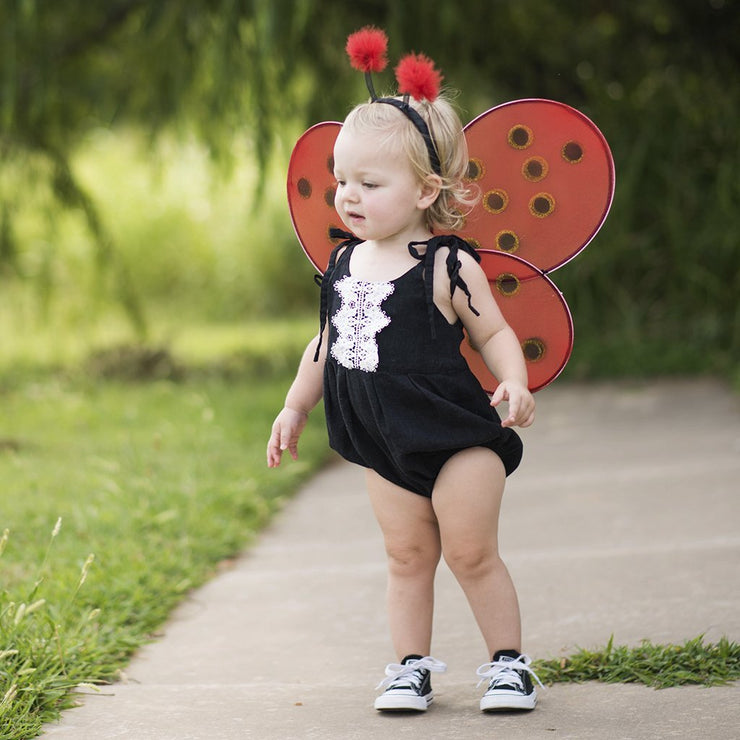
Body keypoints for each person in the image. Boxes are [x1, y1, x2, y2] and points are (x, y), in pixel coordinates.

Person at [267, 31, 542, 714]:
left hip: (456, 439)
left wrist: (513, 379)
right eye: (341, 181)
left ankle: (509, 666)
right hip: (383, 442)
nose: (348, 196)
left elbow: (496, 331)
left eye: (369, 183)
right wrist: (295, 406)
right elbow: (325, 344)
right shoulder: (341, 265)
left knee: (470, 553)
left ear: (425, 190)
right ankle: (409, 668)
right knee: (406, 557)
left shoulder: (447, 265)